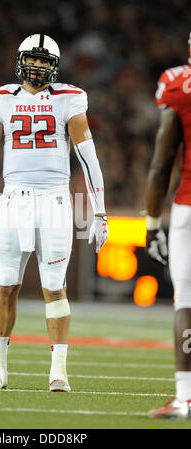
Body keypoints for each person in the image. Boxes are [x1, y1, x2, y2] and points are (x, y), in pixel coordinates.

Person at [0, 34, 108, 392]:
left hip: (54, 199)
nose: (37, 65)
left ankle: (58, 372)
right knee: (5, 285)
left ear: (54, 65)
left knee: (54, 288)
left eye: (44, 60)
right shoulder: (2, 98)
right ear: (21, 59)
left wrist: (100, 212)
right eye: (32, 58)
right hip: (13, 200)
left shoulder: (70, 98)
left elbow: (88, 158)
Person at [145, 32, 191, 418]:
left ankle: (185, 397)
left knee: (186, 303)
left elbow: (161, 164)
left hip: (188, 206)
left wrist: (150, 221)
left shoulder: (178, 84)